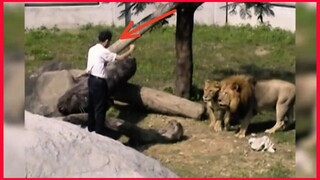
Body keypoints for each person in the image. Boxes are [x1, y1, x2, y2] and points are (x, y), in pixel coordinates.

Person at [86, 29, 135, 135]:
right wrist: (130, 50)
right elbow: (120, 57)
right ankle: (99, 131)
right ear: (107, 41)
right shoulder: (103, 51)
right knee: (100, 107)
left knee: (92, 105)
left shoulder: (92, 49)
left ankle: (90, 128)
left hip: (91, 80)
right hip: (99, 82)